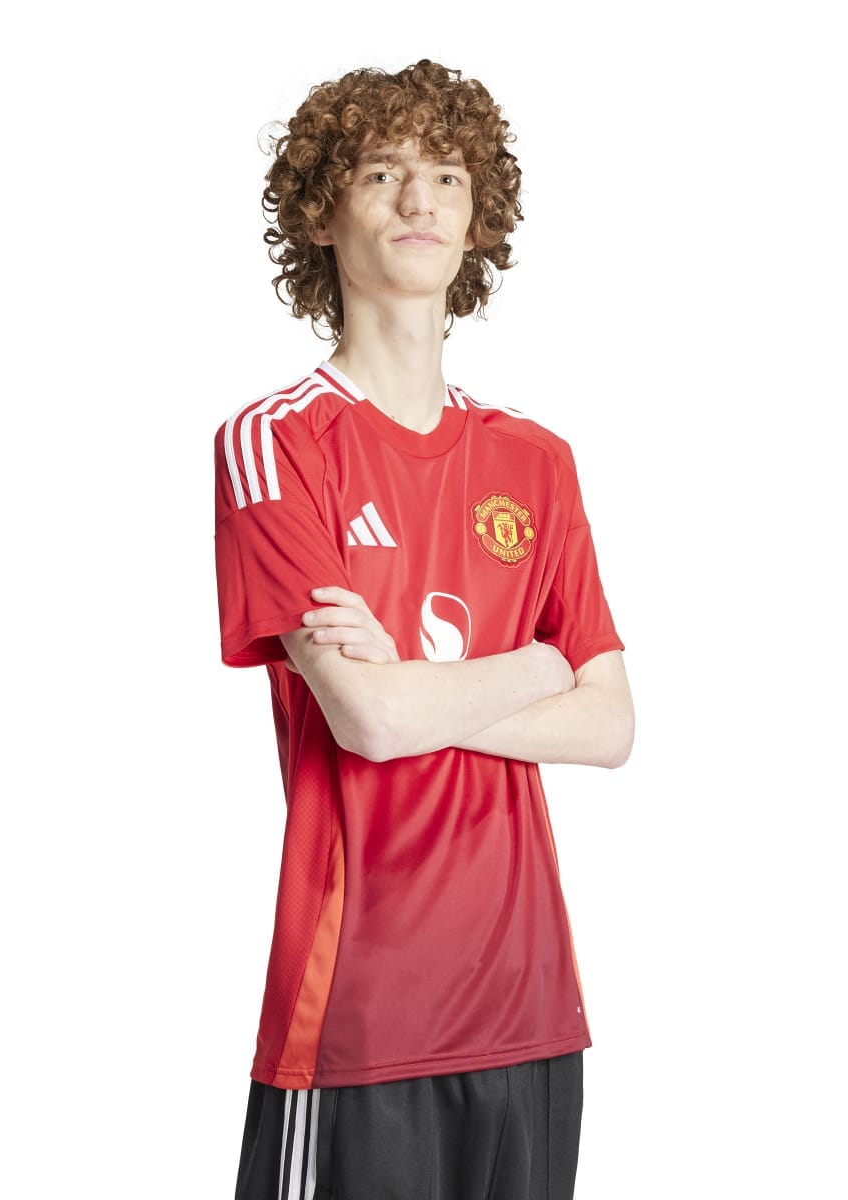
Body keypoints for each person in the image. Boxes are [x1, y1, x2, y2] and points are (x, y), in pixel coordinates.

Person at [215, 59, 634, 1200]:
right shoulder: (277, 442)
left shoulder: (535, 461)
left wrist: (421, 687)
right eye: (382, 172)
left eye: (447, 175)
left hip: (534, 1012)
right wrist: (536, 665)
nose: (419, 199)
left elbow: (610, 726)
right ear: (322, 213)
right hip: (361, 1018)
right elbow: (369, 720)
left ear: (477, 216)